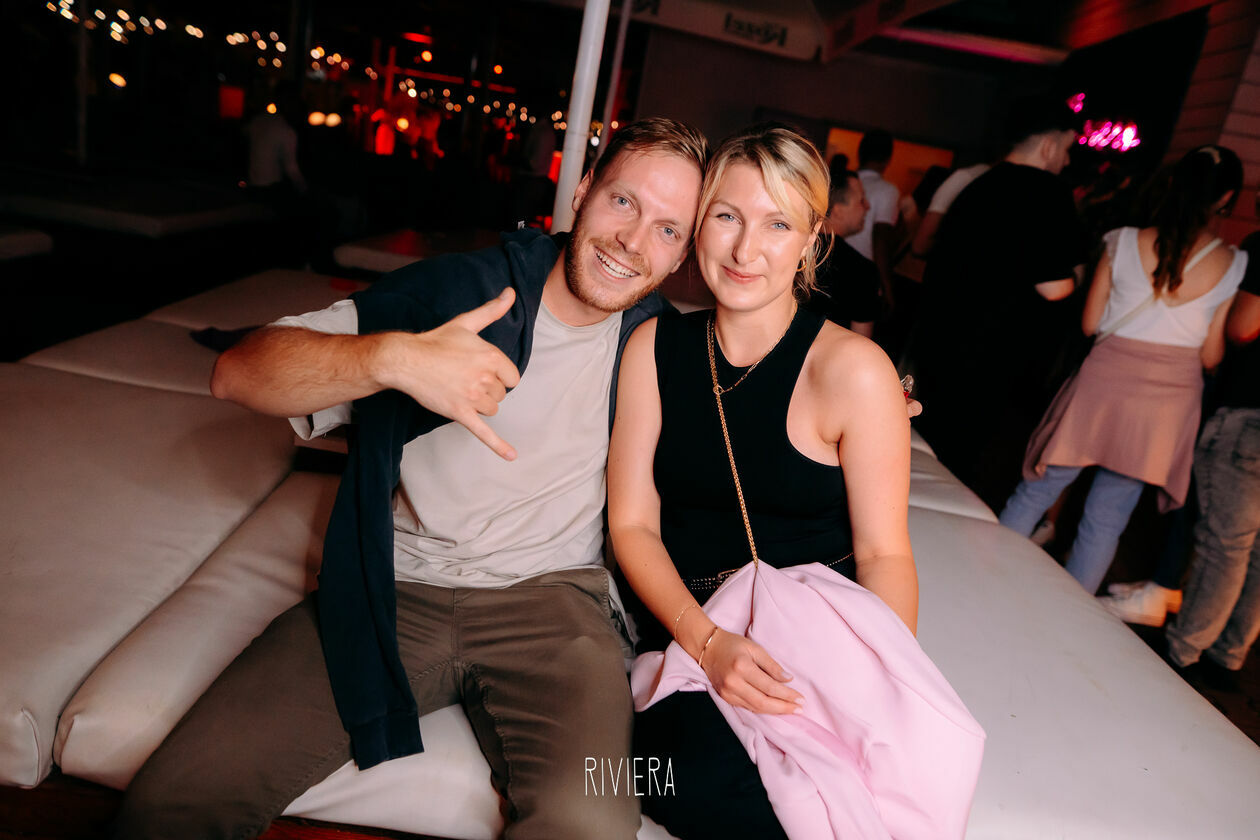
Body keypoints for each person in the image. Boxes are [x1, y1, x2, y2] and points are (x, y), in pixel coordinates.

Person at [112, 118, 710, 840]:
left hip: (556, 610)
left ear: (682, 253)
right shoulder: (458, 291)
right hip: (392, 592)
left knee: (597, 817)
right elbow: (236, 372)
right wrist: (391, 358)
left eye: (667, 229)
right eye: (622, 201)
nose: (634, 241)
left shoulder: (660, 345)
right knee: (174, 800)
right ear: (582, 191)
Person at [608, 124, 937, 839]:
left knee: (831, 790)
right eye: (727, 216)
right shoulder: (654, 348)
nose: (745, 249)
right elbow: (631, 523)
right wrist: (706, 643)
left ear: (813, 239)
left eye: (777, 223)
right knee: (639, 776)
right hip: (688, 627)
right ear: (700, 223)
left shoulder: (854, 371)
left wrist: (874, 687)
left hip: (815, 644)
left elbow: (885, 553)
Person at [999, 145, 1247, 596]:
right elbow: (1211, 356)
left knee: (1038, 488)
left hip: (1104, 382)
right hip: (1166, 402)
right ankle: (1070, 620)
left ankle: (982, 572)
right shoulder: (1232, 262)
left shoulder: (1122, 240)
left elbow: (1090, 323)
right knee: (1107, 517)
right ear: (1226, 197)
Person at [909, 94, 1086, 511]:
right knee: (959, 474)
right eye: (1067, 148)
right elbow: (1055, 288)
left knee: (926, 457)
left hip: (942, 341)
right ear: (1049, 145)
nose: (1066, 160)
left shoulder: (976, 186)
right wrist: (1081, 274)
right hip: (990, 357)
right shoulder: (1046, 193)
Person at [1164, 188, 1260, 688]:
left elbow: (1244, 327)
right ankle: (1229, 656)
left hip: (1250, 413)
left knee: (1226, 544)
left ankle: (1184, 652)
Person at [806, 168, 881, 337]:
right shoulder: (862, 270)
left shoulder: (793, 247)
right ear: (837, 210)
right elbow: (860, 340)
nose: (867, 206)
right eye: (861, 200)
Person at [844, 129, 899, 305]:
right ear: (888, 159)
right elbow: (881, 237)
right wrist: (887, 287)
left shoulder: (842, 181)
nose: (866, 206)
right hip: (862, 274)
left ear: (859, 153)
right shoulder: (887, 190)